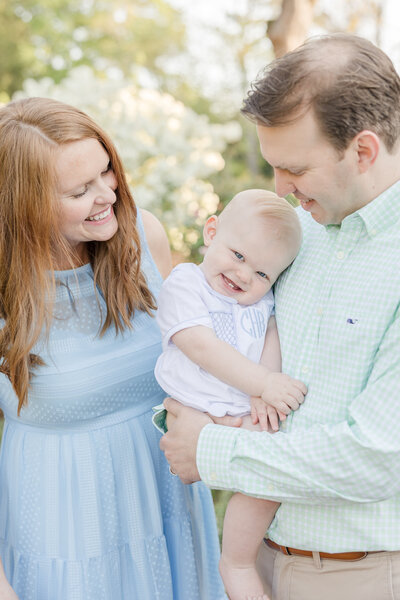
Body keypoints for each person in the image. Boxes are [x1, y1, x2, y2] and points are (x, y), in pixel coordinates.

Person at [159, 32, 400, 600]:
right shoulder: (295, 236)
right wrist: (192, 413)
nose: (280, 189)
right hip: (262, 555)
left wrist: (211, 450)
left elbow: (376, 457)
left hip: (361, 575)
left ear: (363, 151)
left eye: (294, 168)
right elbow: (229, 339)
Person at [0, 97, 227, 600]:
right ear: (24, 205)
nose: (108, 194)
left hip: (170, 513)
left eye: (107, 171)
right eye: (80, 190)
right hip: (65, 533)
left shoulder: (144, 237)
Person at [153, 189, 306, 600]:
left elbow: (271, 333)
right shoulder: (186, 283)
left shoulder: (260, 301)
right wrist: (261, 383)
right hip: (194, 405)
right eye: (238, 256)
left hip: (242, 405)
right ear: (212, 231)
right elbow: (200, 345)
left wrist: (265, 387)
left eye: (262, 275)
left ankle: (237, 560)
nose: (244, 276)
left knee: (265, 474)